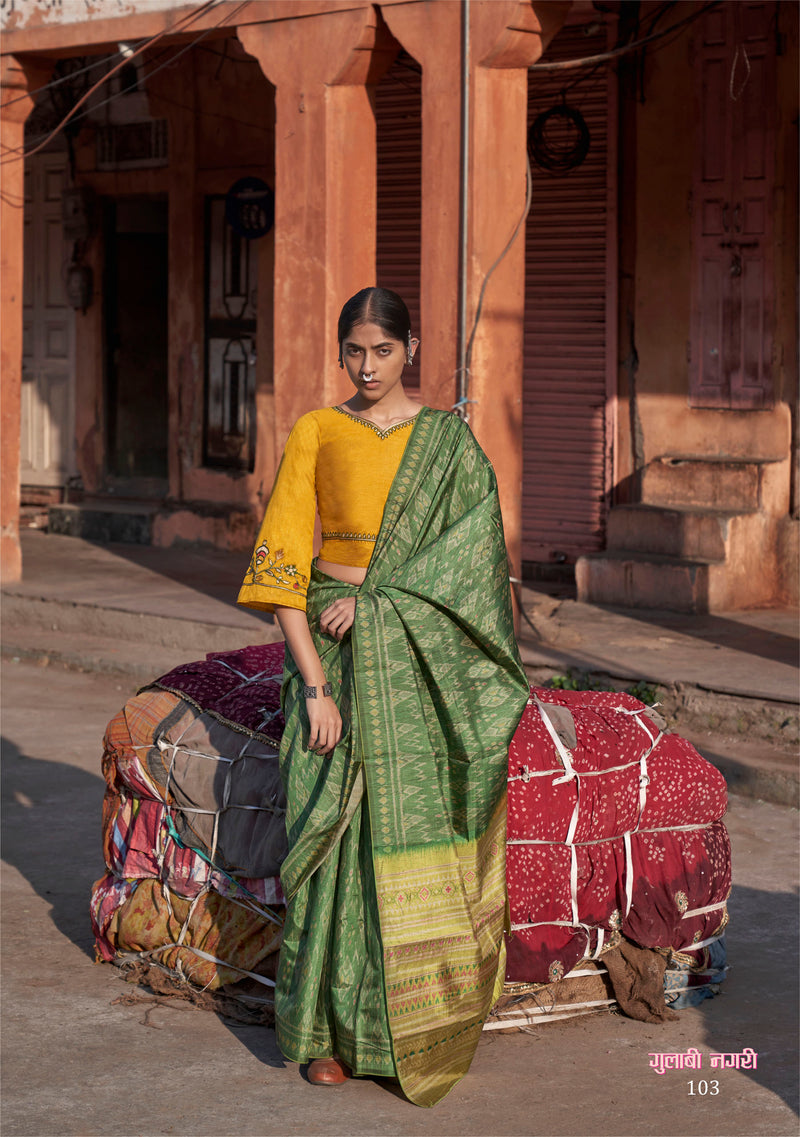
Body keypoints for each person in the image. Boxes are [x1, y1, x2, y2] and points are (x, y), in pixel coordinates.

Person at [237, 287, 529, 1107]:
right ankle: (329, 1034)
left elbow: (471, 571)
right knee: (334, 848)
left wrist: (382, 605)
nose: (366, 367)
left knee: (408, 839)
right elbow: (283, 573)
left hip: (416, 661)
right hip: (332, 659)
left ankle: (411, 1024)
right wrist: (316, 686)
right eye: (353, 351)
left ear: (410, 351)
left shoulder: (449, 445)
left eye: (382, 351)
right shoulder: (318, 432)